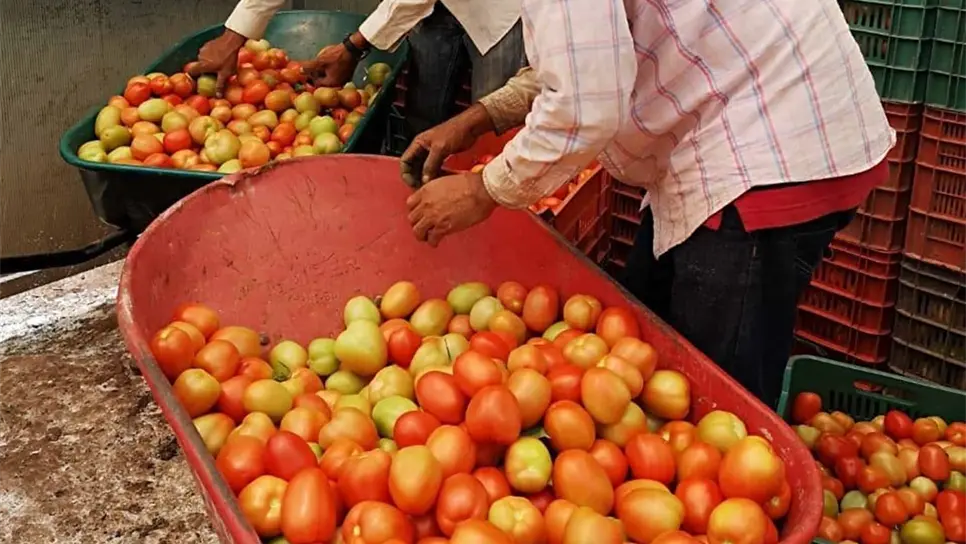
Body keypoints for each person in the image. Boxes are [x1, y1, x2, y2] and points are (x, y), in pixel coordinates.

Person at [401, 0, 895, 407]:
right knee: (640, 346)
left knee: (721, 403)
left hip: (765, 146)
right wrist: (481, 117)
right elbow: (592, 53)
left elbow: (583, 105)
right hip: (760, 116)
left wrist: (482, 190)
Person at [191, 0, 525, 138]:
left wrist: (354, 46)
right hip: (430, 10)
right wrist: (236, 34)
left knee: (492, 124)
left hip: (500, 8)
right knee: (423, 114)